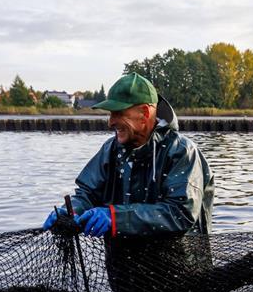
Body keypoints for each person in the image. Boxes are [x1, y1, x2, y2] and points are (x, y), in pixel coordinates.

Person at [41, 72, 214, 239]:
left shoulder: (182, 152)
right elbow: (87, 194)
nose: (110, 122)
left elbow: (180, 213)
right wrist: (70, 211)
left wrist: (116, 218)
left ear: (145, 113)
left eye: (118, 113)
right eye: (110, 114)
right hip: (122, 267)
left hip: (179, 267)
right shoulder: (110, 149)